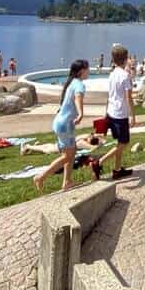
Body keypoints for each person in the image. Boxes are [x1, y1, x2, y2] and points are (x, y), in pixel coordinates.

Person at [35, 59, 90, 192]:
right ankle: (41, 177)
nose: (89, 71)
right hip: (65, 125)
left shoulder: (72, 83)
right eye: (88, 69)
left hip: (61, 123)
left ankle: (67, 182)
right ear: (82, 71)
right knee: (67, 156)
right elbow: (78, 98)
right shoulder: (79, 85)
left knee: (71, 151)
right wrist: (81, 114)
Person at [92, 45, 136, 181]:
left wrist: (106, 112)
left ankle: (117, 170)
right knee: (123, 143)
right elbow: (129, 98)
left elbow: (110, 95)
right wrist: (132, 116)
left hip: (111, 112)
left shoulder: (112, 74)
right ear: (125, 59)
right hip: (120, 115)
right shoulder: (125, 76)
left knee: (119, 143)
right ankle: (99, 162)